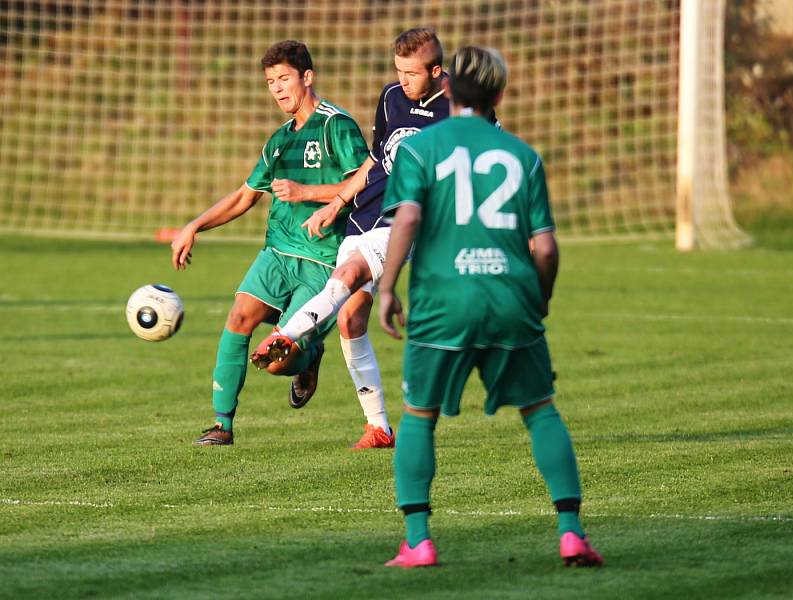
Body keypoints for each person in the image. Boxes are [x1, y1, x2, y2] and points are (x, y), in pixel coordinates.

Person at [377, 46, 604, 568]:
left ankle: (419, 541)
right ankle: (571, 533)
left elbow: (407, 220)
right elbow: (544, 249)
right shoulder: (523, 156)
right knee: (540, 411)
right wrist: (538, 300)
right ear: (499, 95)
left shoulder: (419, 149)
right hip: (509, 300)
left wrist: (388, 288)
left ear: (450, 90)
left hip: (442, 302)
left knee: (418, 416)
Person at [250, 28, 450, 450]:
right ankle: (379, 427)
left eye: (412, 74)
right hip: (365, 212)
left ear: (435, 70)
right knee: (350, 320)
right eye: (398, 71)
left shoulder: (460, 108)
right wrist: (336, 202)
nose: (404, 81)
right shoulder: (392, 96)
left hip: (406, 218)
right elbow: (375, 161)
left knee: (348, 274)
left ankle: (289, 332)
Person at [170, 40, 369, 445]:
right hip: (278, 253)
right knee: (238, 317)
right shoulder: (279, 139)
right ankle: (222, 425)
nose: (277, 88)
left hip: (324, 261)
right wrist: (195, 225)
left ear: (307, 77)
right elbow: (246, 196)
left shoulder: (336, 125)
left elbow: (366, 181)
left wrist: (306, 192)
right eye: (270, 81)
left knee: (278, 362)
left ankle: (310, 359)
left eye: (284, 78)